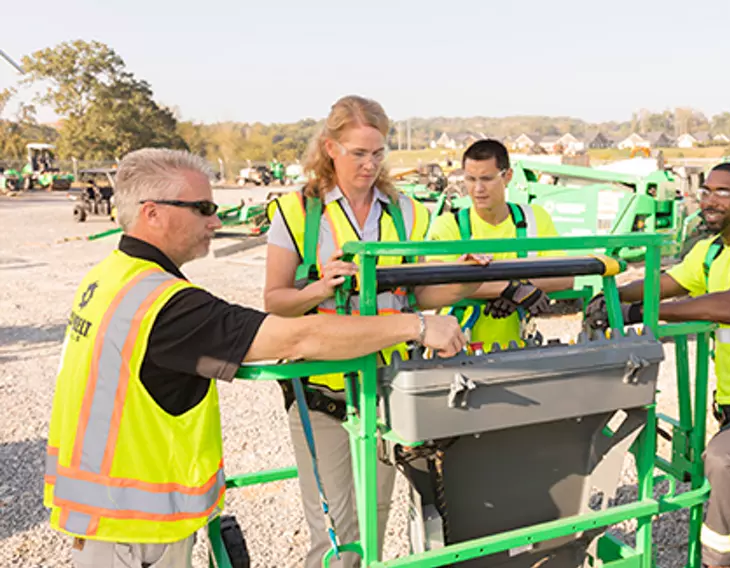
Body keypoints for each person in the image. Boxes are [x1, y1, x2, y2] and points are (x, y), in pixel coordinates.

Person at [44, 148, 466, 568]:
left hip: (109, 521)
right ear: (152, 213)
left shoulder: (111, 276)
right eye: (203, 208)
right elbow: (296, 338)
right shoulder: (164, 305)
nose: (215, 221)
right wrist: (418, 327)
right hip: (135, 535)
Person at [264, 95, 483, 568]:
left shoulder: (406, 213)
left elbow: (417, 297)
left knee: (374, 519)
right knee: (334, 530)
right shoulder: (297, 212)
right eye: (358, 153)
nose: (369, 164)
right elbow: (274, 300)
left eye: (377, 153)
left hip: (384, 389)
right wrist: (319, 287)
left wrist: (461, 280)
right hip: (321, 389)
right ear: (329, 148)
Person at [586, 161, 730, 568]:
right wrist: (613, 297)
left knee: (725, 459)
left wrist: (644, 311)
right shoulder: (709, 252)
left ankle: (719, 562)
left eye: (723, 192)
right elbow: (667, 282)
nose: (709, 199)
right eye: (707, 190)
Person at [427, 139, 573, 351]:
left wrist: (518, 287)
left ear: (508, 177)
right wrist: (510, 289)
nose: (477, 189)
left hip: (520, 349)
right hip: (458, 351)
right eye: (470, 179)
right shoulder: (449, 225)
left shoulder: (535, 218)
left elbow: (566, 276)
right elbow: (437, 283)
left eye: (487, 179)